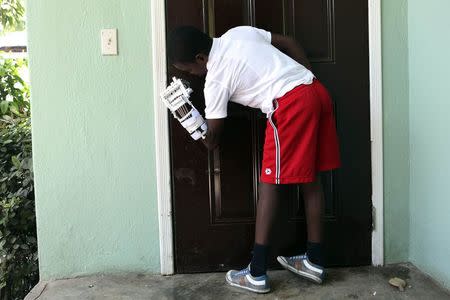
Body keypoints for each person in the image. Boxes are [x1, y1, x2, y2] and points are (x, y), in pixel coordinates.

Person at [168, 25, 341, 294]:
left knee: (270, 185)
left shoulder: (216, 79)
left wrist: (185, 115)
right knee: (312, 178)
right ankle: (314, 260)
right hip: (316, 92)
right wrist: (307, 77)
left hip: (290, 105)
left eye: (189, 70)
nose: (192, 75)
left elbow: (211, 141)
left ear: (201, 58)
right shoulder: (237, 33)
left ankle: (257, 273)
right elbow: (290, 41)